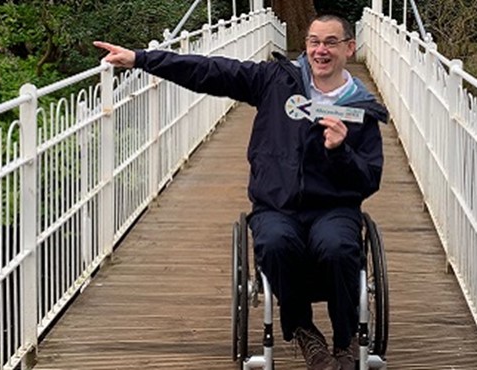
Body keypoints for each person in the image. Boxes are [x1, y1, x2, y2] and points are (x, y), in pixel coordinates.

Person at [94, 14, 387, 370]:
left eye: (330, 42)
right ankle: (304, 331)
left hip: (333, 207)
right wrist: (142, 59)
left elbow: (368, 178)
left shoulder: (361, 108)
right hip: (276, 204)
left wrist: (341, 151)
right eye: (313, 41)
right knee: (275, 244)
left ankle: (345, 343)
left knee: (339, 246)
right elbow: (211, 71)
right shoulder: (276, 81)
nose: (320, 50)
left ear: (349, 48)